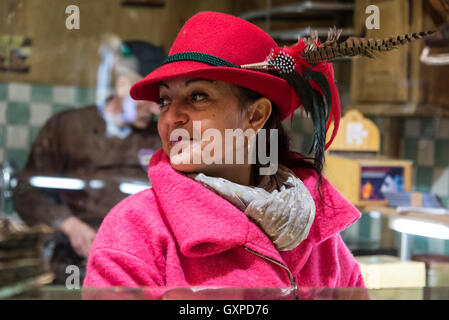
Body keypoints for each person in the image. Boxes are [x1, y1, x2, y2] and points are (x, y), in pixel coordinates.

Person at [83, 11, 367, 294]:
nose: (171, 118)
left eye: (197, 96)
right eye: (165, 100)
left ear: (255, 116)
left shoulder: (318, 233)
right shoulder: (134, 229)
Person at [13, 39, 166, 284]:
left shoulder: (160, 137)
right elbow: (27, 191)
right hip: (68, 263)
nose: (155, 110)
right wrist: (68, 224)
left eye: (160, 100)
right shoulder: (68, 127)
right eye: (148, 98)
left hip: (140, 263)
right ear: (123, 84)